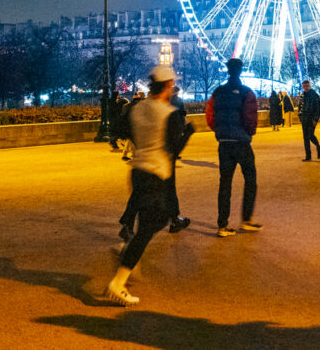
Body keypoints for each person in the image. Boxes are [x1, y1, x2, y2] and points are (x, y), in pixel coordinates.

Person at [105, 65, 192, 306]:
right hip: (156, 173)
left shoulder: (136, 108)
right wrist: (189, 134)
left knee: (150, 222)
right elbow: (174, 150)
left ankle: (127, 252)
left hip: (137, 170)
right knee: (152, 225)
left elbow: (121, 131)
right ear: (167, 86)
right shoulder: (169, 114)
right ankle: (118, 281)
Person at [206, 58, 261, 237]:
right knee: (250, 179)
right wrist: (248, 133)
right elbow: (250, 117)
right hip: (241, 142)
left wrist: (220, 130)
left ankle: (222, 225)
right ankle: (246, 219)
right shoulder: (246, 92)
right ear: (241, 70)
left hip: (224, 143)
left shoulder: (218, 92)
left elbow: (210, 115)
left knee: (225, 183)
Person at [297, 80, 320, 162]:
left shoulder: (314, 95)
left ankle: (318, 147)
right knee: (305, 138)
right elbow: (300, 107)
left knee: (311, 135)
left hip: (311, 119)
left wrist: (315, 119)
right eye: (304, 86)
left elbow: (318, 108)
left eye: (307, 85)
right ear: (302, 86)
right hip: (304, 119)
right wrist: (300, 116)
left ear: (309, 85)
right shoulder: (302, 96)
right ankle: (308, 156)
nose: (305, 87)